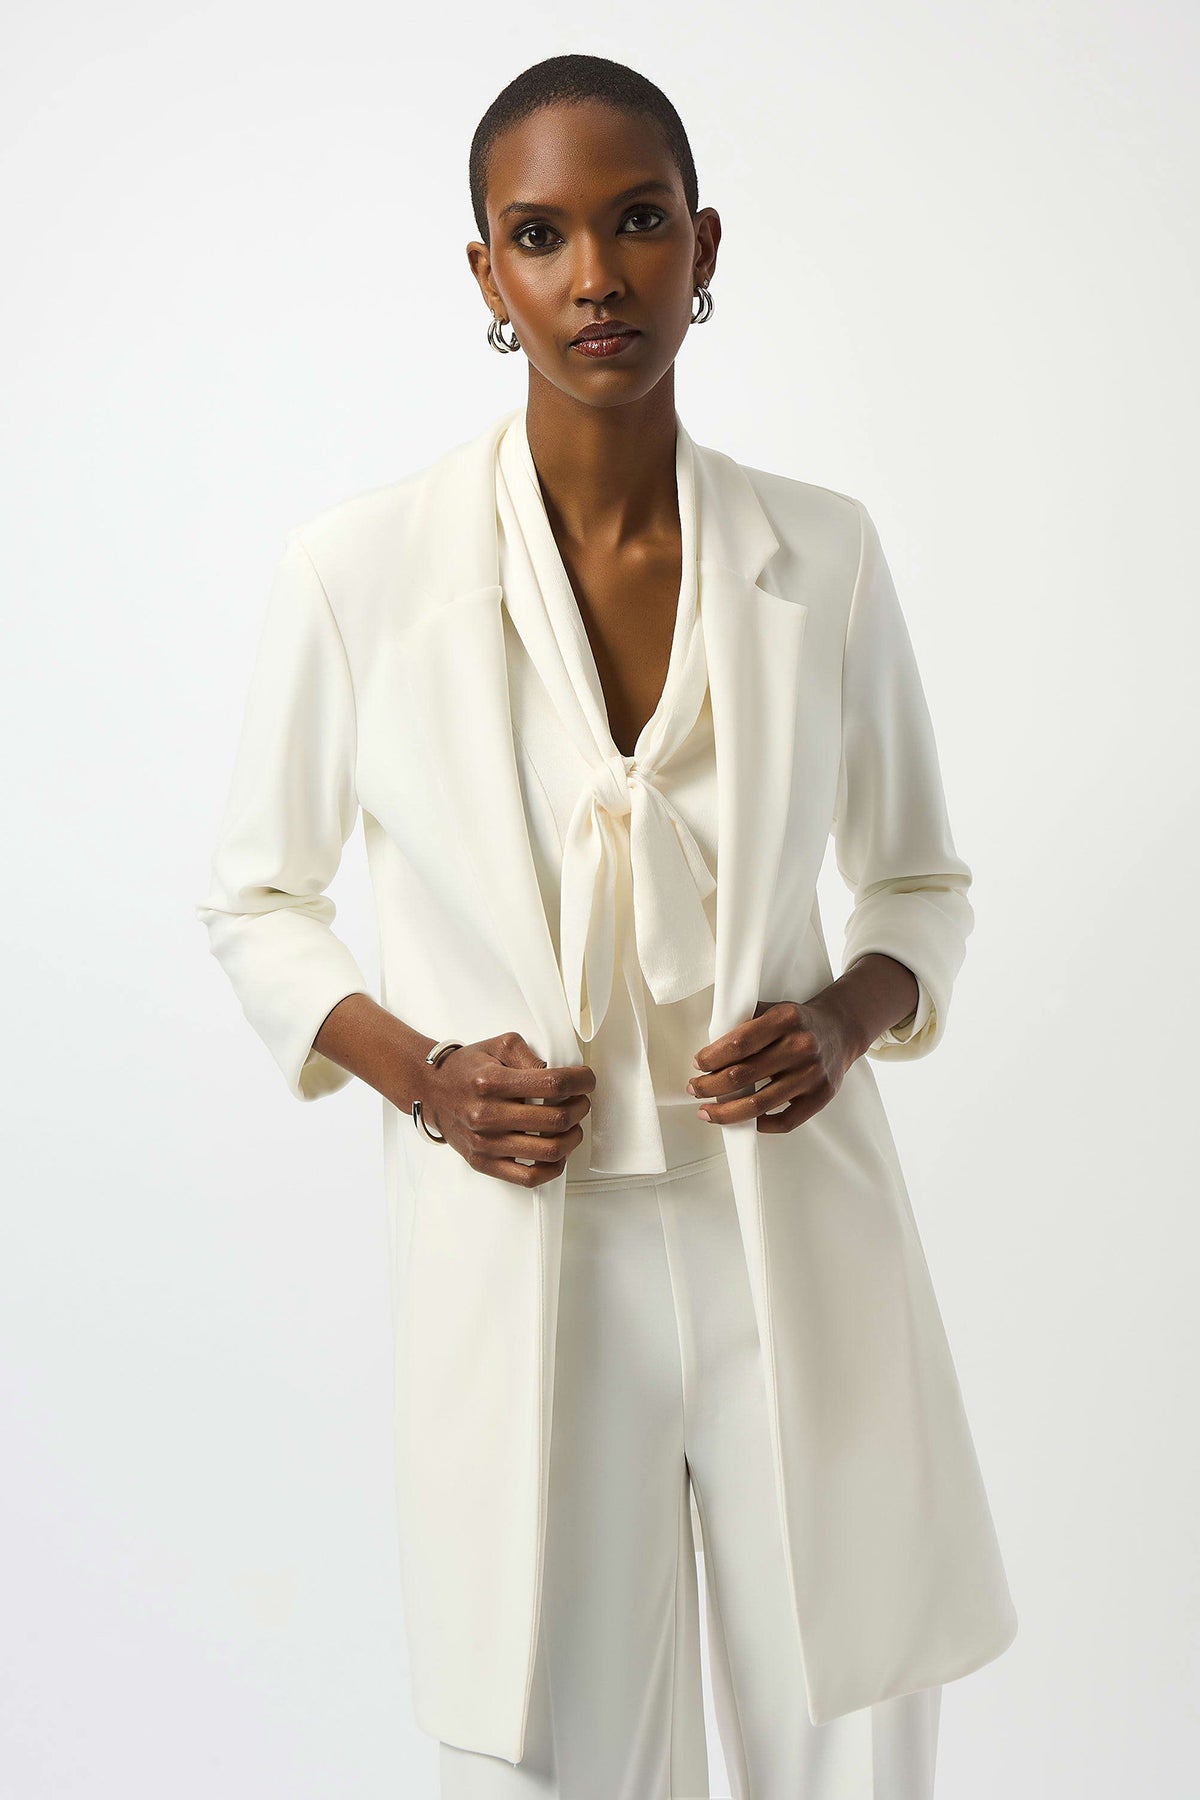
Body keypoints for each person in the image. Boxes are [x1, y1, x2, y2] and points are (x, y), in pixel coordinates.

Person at [196, 52, 1017, 1800]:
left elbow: (918, 886)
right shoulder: (359, 574)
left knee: (849, 1730)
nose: (596, 276)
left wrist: (845, 1019)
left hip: (788, 1227)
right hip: (532, 1258)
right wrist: (426, 1075)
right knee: (561, 1750)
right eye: (542, 234)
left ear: (702, 246)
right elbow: (259, 899)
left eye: (638, 222)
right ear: (486, 273)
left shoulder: (823, 557)